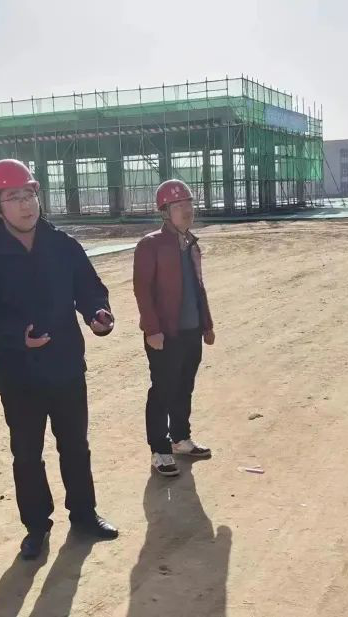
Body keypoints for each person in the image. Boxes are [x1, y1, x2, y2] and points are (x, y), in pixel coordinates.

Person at [0, 159, 119, 562]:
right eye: (13, 197)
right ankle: (36, 527)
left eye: (29, 195)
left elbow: (90, 288)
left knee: (75, 445)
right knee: (26, 454)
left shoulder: (62, 244)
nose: (25, 204)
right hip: (18, 374)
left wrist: (98, 313)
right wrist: (13, 337)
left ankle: (84, 515)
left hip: (66, 365)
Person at [133, 179, 216, 477]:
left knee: (184, 387)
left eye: (189, 204)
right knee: (163, 390)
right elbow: (142, 290)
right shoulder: (150, 244)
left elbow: (199, 287)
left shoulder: (192, 244)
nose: (187, 210)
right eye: (179, 205)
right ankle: (159, 449)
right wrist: (152, 329)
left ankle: (180, 439)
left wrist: (207, 324)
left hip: (191, 331)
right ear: (165, 212)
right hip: (165, 334)